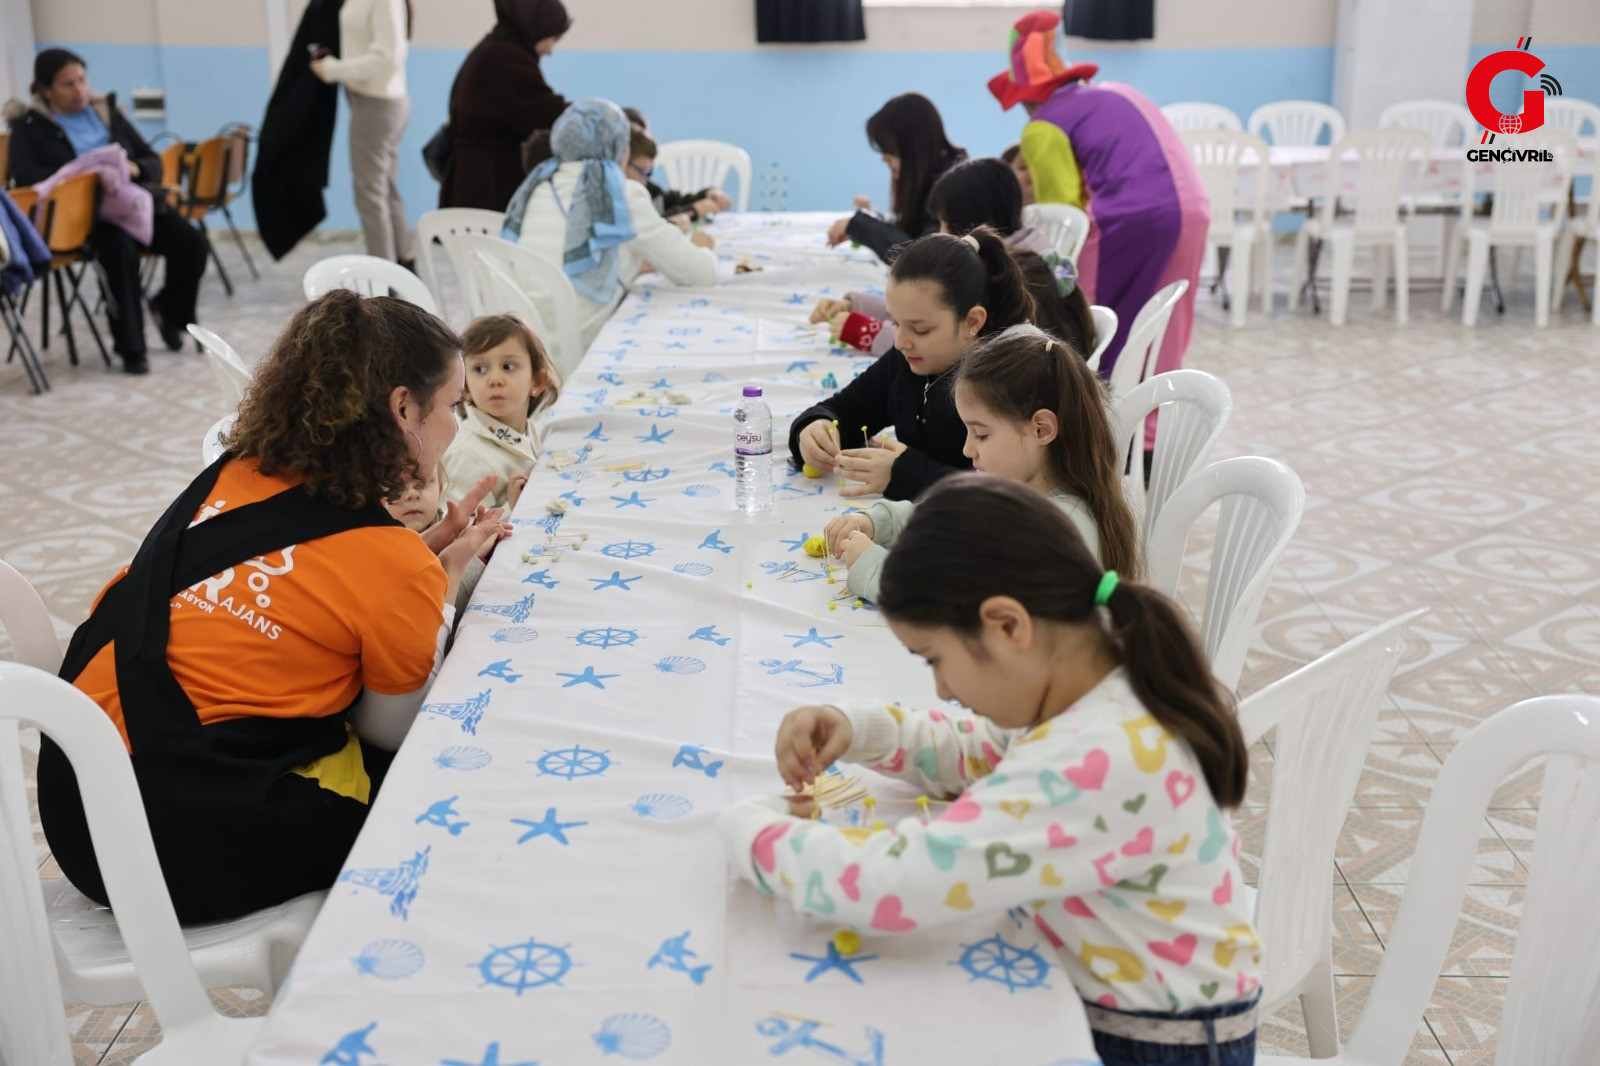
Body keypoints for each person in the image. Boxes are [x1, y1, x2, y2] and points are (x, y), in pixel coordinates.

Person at [718, 475, 1259, 1066]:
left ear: (1007, 625)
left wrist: (752, 829)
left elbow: (894, 885)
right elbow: (984, 750)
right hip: (1136, 1015)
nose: (943, 690)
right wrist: (862, 731)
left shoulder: (1101, 758)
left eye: (936, 660)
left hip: (1147, 1045)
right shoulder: (1101, 678)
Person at [36, 291, 509, 924]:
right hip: (173, 847)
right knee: (438, 791)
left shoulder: (234, 472)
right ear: (403, 409)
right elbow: (392, 730)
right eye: (452, 405)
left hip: (73, 809)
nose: (459, 423)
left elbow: (311, 584)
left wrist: (418, 574)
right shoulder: (392, 564)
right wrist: (439, 584)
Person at [827, 326, 1137, 601]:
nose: (967, 449)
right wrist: (879, 522)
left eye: (981, 433)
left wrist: (871, 567)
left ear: (1041, 429)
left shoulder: (1055, 531)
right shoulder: (1018, 489)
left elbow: (953, 602)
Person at [989, 9, 1207, 385]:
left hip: (1133, 219)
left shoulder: (1044, 126)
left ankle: (1111, 420)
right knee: (1164, 323)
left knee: (1104, 323)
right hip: (1193, 209)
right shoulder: (1120, 92)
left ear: (1028, 96)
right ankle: (1155, 422)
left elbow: (1063, 214)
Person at [788, 227, 1034, 501]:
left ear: (972, 321)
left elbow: (1003, 496)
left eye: (920, 330)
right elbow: (844, 410)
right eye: (894, 322)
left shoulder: (1003, 385)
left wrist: (905, 475)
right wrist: (814, 428)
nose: (900, 341)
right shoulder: (907, 361)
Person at [4, 49, 207, 374]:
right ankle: (132, 349)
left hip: (135, 205)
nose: (79, 90)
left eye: (82, 80)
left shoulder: (106, 112)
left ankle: (170, 311)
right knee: (119, 251)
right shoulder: (29, 127)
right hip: (86, 219)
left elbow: (152, 160)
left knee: (193, 244)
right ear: (45, 89)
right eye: (67, 84)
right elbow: (26, 179)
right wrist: (82, 179)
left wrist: (135, 168)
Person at [503, 99, 717, 349]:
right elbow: (699, 274)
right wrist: (706, 249)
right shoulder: (620, 194)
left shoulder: (537, 186)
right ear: (619, 146)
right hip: (579, 346)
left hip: (523, 341)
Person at [812, 157, 1054, 358]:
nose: (939, 233)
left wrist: (868, 332)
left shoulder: (1001, 274)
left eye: (944, 223)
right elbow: (924, 315)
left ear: (975, 222)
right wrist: (857, 304)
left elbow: (954, 350)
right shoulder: (1024, 246)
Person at [311, 0, 415, 268]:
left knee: (370, 193)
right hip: (369, 101)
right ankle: (404, 265)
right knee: (384, 189)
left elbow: (387, 57)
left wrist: (334, 69)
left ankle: (385, 279)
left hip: (377, 105)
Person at [439, 0, 572, 211]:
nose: (551, 50)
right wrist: (593, 117)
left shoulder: (494, 48)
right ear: (536, 27)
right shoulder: (507, 59)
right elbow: (546, 111)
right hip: (487, 184)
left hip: (472, 178)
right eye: (553, 38)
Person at [826, 93, 966, 263]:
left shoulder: (954, 188)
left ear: (913, 146)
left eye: (888, 149)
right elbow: (913, 235)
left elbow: (922, 261)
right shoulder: (937, 178)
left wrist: (862, 226)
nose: (884, 158)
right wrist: (871, 222)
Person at [440, 313, 558, 511]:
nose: (495, 379)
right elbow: (456, 530)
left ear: (537, 381)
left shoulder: (528, 428)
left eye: (508, 366)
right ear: (465, 387)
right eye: (480, 369)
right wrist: (512, 508)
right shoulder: (467, 455)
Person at [623, 107, 734, 224]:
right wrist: (693, 212)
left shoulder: (647, 188)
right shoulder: (620, 201)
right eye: (643, 171)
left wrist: (705, 195)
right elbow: (651, 226)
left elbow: (670, 201)